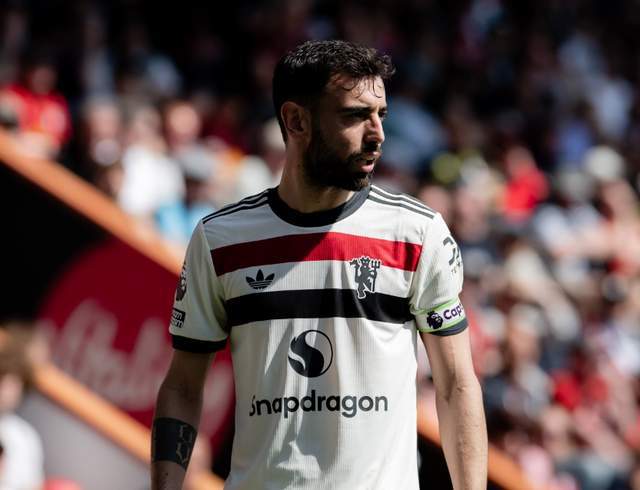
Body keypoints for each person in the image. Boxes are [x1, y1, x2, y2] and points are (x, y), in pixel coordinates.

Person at [151, 39, 487, 489]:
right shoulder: (221, 240)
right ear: (296, 120)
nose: (377, 134)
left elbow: (456, 385)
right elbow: (182, 387)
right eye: (354, 115)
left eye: (381, 115)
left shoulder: (417, 233)